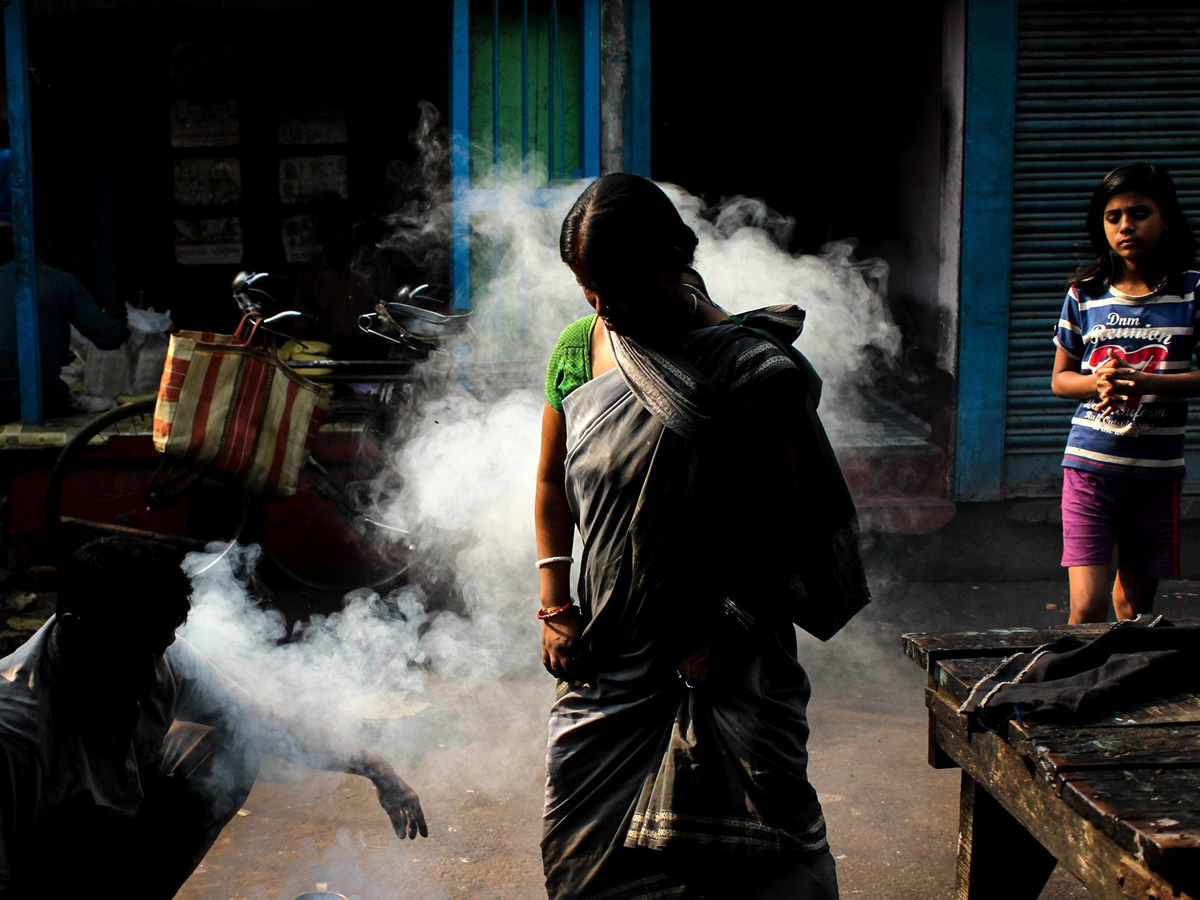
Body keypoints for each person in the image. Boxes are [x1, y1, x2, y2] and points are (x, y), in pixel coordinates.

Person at [535, 173, 870, 899]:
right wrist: (555, 606)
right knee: (585, 861)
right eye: (588, 291)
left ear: (668, 263)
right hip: (607, 656)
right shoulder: (579, 347)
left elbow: (785, 521)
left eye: (618, 288)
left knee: (761, 864)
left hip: (722, 660)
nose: (605, 310)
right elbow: (549, 489)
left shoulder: (750, 370)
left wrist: (731, 625)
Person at [0, 535, 427, 898]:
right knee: (94, 827)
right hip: (47, 871)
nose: (154, 672)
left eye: (162, 647)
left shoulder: (155, 653)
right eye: (137, 652)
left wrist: (376, 767)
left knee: (232, 750)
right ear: (76, 630)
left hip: (119, 834)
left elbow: (263, 724)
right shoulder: (15, 728)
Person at [1051, 163, 1200, 625]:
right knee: (1086, 609)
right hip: (1088, 468)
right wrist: (1097, 382)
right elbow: (1061, 379)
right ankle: (1078, 691)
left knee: (1134, 610)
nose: (1125, 226)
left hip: (1155, 474)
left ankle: (1121, 695)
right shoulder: (1084, 294)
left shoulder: (1191, 291)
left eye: (1139, 213)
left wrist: (1147, 382)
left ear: (1166, 219)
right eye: (1113, 217)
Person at [0, 235, 129, 421]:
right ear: (47, 247)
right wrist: (117, 316)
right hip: (41, 398)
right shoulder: (59, 281)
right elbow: (110, 337)